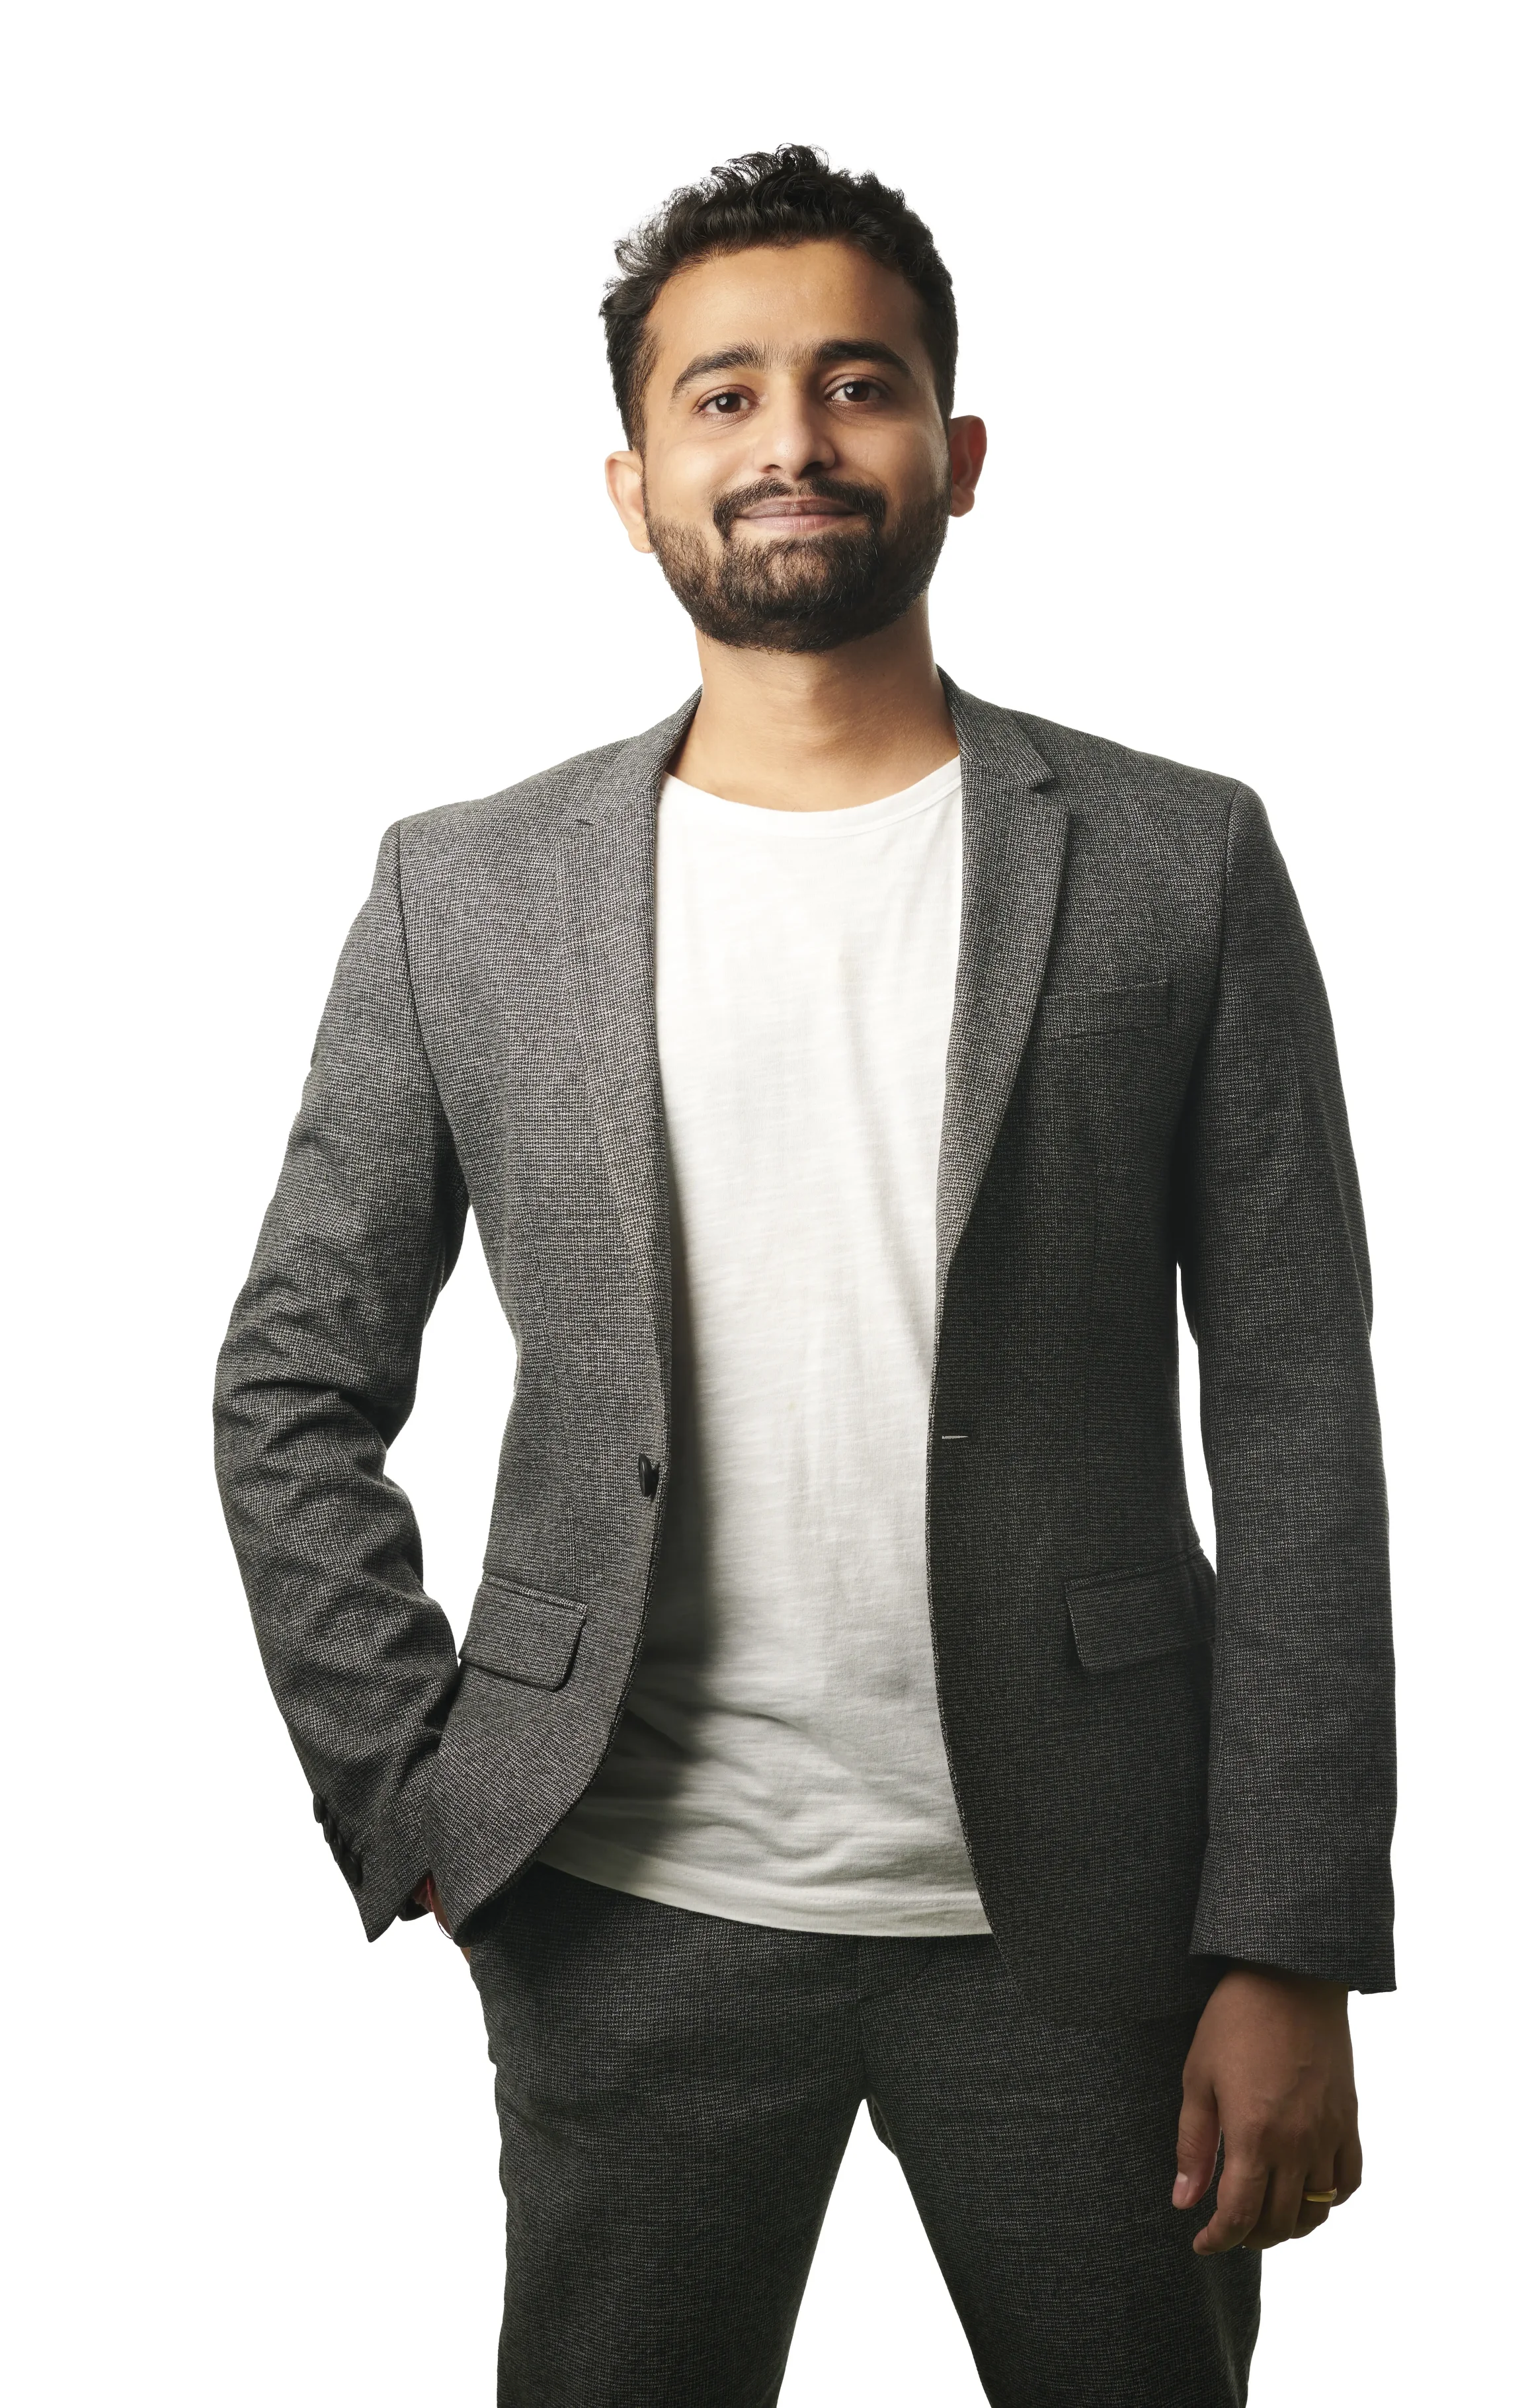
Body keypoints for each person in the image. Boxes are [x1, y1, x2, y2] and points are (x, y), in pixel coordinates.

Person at [214, 144, 1395, 2408]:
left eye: (855, 386)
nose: (790, 442)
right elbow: (291, 1380)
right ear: (632, 478)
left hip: (1097, 1923)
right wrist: (421, 1791)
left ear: (952, 454)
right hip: (624, 1906)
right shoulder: (467, 893)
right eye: (722, 394)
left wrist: (1288, 1933)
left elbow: (1294, 1407)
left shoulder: (1173, 866)